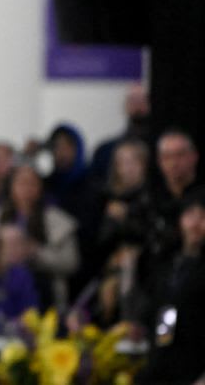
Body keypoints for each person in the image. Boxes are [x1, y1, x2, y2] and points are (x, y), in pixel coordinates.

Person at [133, 191, 205, 385]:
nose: (196, 223)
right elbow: (164, 308)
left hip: (195, 366)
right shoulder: (169, 261)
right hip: (163, 361)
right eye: (191, 215)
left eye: (203, 216)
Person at [0, 164, 79, 311]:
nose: (27, 189)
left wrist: (36, 252)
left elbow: (71, 263)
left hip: (46, 293)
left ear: (40, 188)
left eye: (32, 183)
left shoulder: (57, 219)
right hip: (2, 293)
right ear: (11, 187)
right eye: (21, 183)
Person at [149, 130, 201, 262]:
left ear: (194, 156)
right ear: (159, 161)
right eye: (167, 156)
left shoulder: (201, 198)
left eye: (180, 155)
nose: (173, 162)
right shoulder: (150, 198)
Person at [89, 84, 152, 185]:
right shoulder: (105, 150)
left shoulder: (163, 149)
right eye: (133, 100)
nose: (138, 105)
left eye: (142, 100)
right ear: (125, 105)